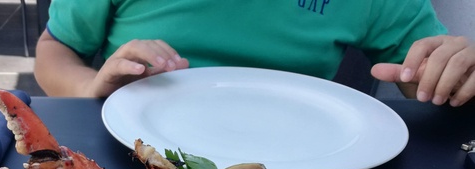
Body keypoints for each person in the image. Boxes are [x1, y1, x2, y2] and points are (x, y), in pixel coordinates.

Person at [34, 0, 475, 107]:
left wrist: (449, 74)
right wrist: (90, 87)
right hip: (129, 154)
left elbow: (422, 69)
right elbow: (55, 49)